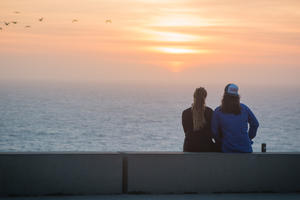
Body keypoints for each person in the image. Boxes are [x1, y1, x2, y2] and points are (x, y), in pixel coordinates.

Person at [211, 83, 259, 153]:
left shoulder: (218, 111)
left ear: (225, 95)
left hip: (227, 149)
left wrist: (221, 142)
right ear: (237, 96)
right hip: (245, 149)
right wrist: (248, 138)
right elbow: (255, 124)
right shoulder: (244, 108)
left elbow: (214, 132)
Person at [182, 87, 219, 152]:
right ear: (205, 97)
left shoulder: (185, 113)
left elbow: (186, 132)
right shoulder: (209, 112)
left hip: (189, 147)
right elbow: (213, 132)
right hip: (206, 147)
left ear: (194, 96)